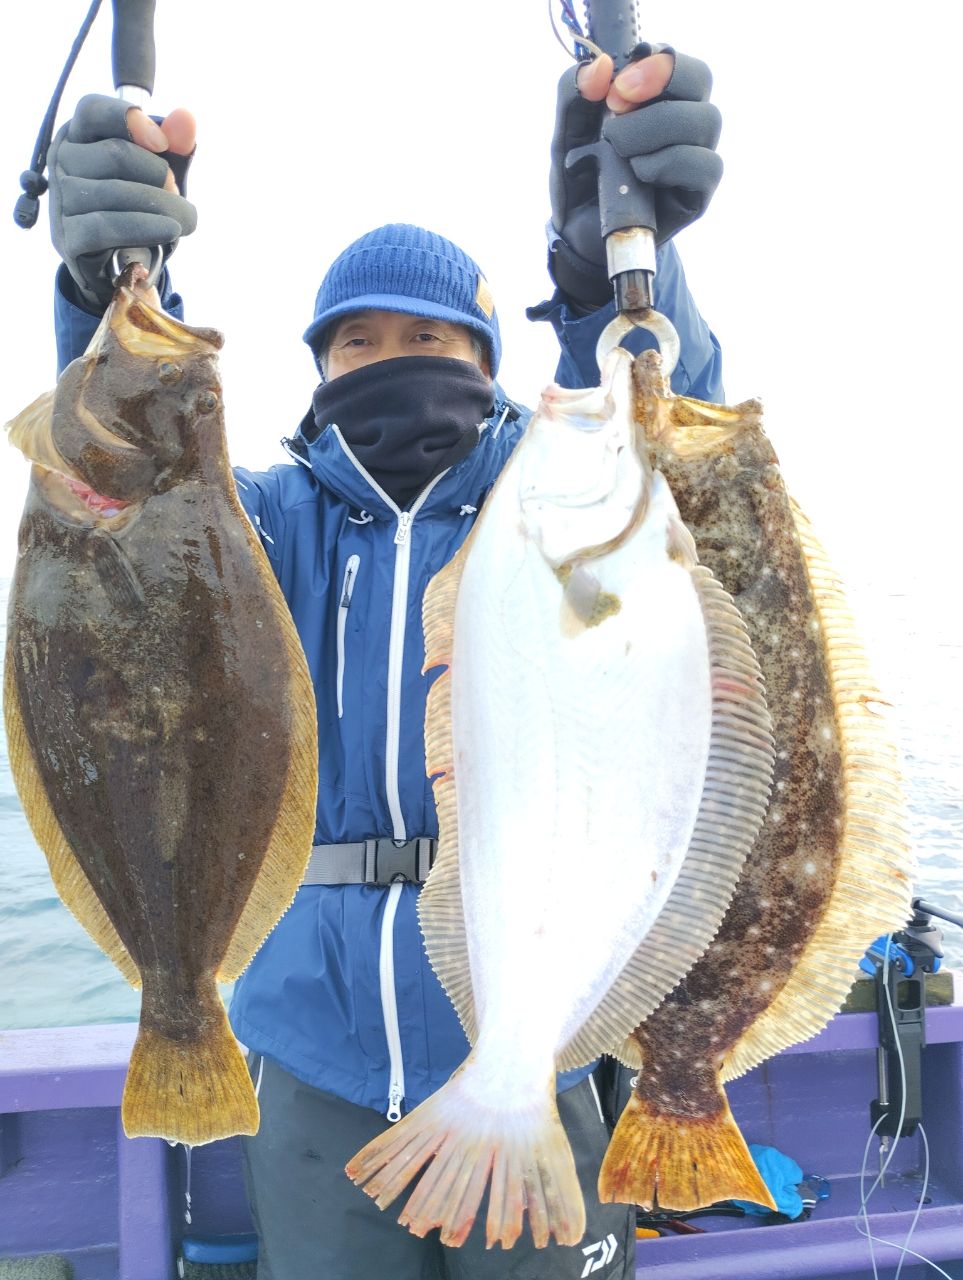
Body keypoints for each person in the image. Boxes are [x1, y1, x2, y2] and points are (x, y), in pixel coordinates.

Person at [49, 43, 723, 1280]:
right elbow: (127, 518)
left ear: (484, 356)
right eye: (357, 341)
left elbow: (676, 455)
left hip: (540, 1037)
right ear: (318, 367)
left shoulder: (551, 507)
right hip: (316, 1058)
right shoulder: (264, 522)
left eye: (429, 333)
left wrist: (623, 281)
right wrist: (100, 296)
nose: (391, 357)